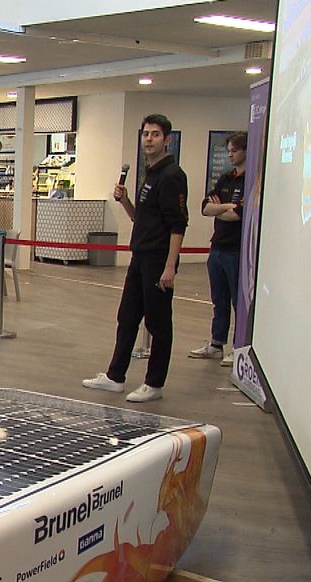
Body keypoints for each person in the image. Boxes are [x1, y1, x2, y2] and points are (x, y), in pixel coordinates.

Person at [83, 113, 189, 403]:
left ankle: (154, 383)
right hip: (140, 256)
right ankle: (115, 376)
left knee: (158, 323)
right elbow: (138, 218)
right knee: (127, 317)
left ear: (167, 140)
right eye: (145, 134)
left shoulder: (172, 176)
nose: (149, 139)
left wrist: (170, 266)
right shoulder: (150, 173)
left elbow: (178, 225)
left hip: (158, 260)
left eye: (155, 134)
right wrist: (125, 200)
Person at [190, 131, 248, 362]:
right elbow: (205, 208)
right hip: (217, 248)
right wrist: (226, 206)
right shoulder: (225, 179)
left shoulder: (250, 181)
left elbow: (237, 215)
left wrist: (222, 209)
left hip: (236, 250)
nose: (230, 155)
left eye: (234, 151)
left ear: (245, 151)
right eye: (229, 151)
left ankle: (239, 346)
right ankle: (217, 343)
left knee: (237, 301)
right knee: (219, 299)